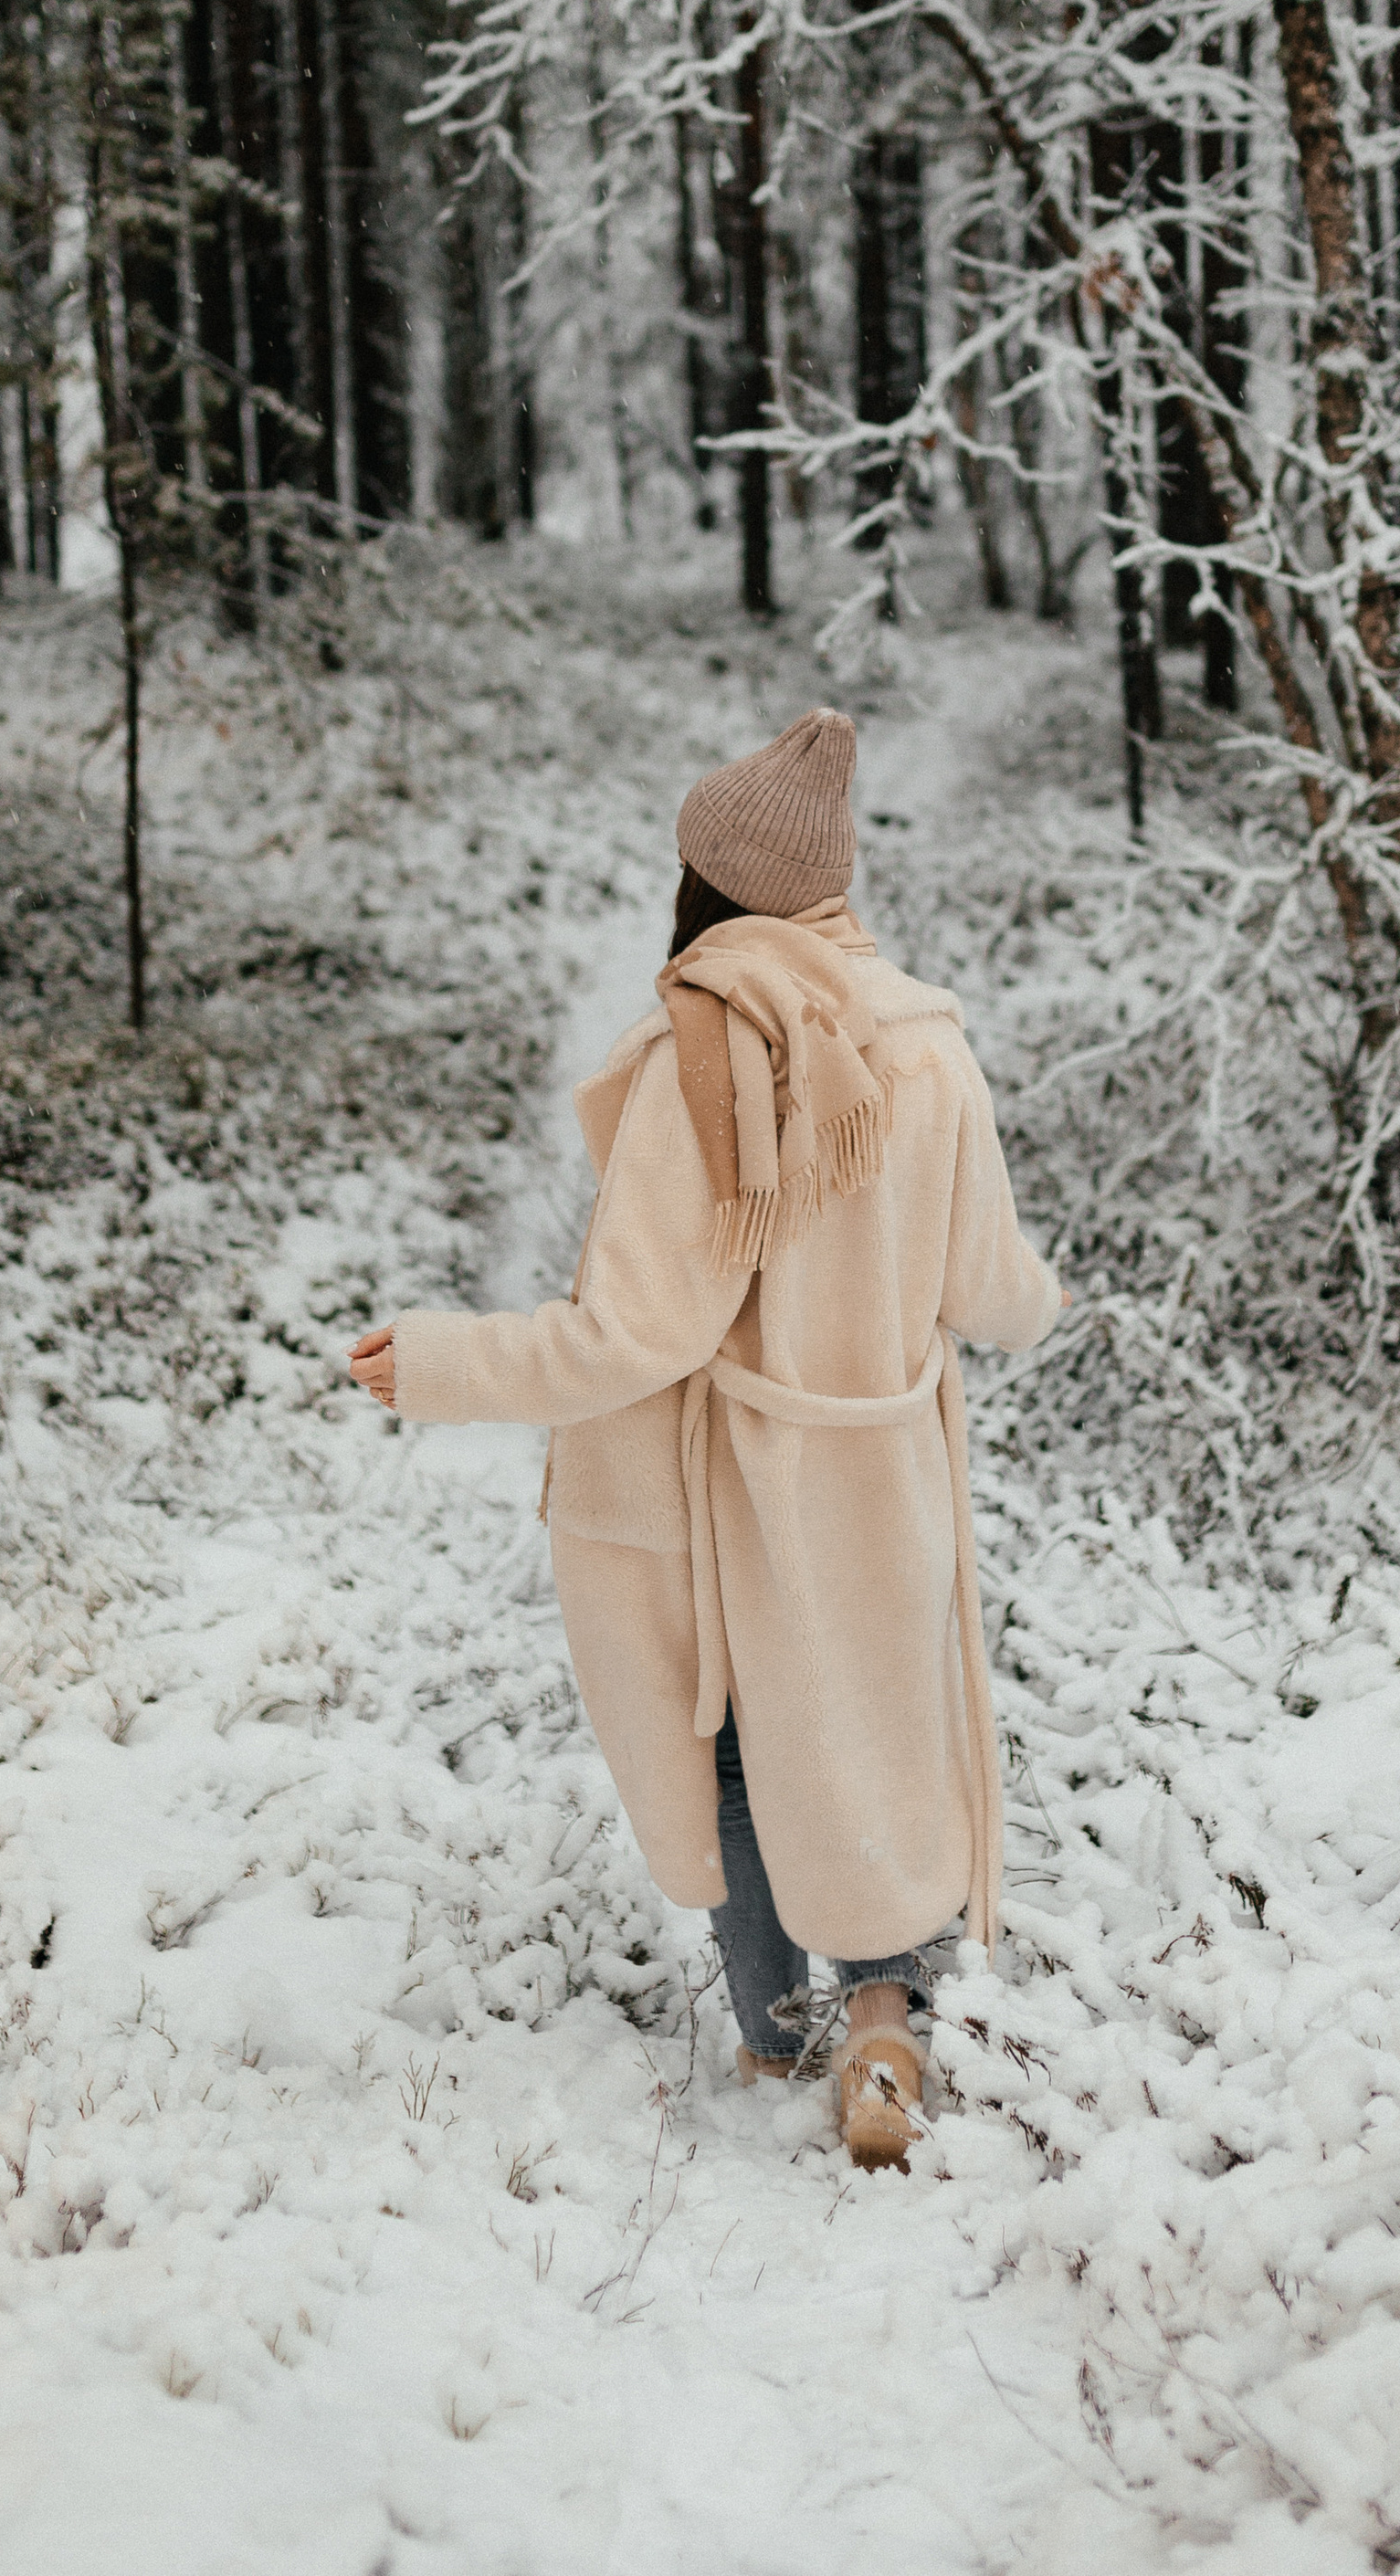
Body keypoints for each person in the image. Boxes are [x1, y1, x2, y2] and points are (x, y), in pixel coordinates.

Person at [348, 709, 1064, 2169]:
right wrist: (1025, 1297)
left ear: (707, 885)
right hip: (884, 1458)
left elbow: (631, 1335)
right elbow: (997, 1297)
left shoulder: (707, 1055)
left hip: (739, 1474)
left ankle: (776, 2018)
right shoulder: (926, 1050)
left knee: (736, 1734)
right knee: (878, 1719)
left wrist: (439, 1360)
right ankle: (886, 2018)